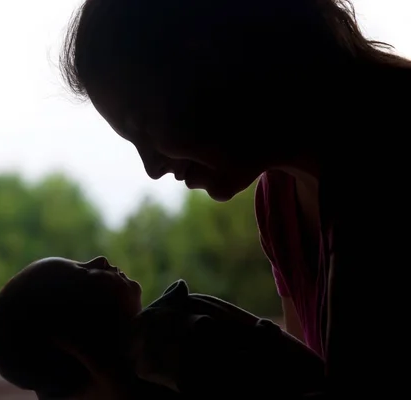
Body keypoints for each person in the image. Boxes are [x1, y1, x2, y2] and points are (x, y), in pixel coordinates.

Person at [59, 0, 411, 397]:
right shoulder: (280, 201)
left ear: (215, 57)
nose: (153, 168)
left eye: (143, 125)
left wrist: (217, 360)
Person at [0, 256, 325, 399]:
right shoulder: (156, 350)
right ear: (74, 346)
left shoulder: (174, 335)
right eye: (83, 274)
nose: (100, 260)